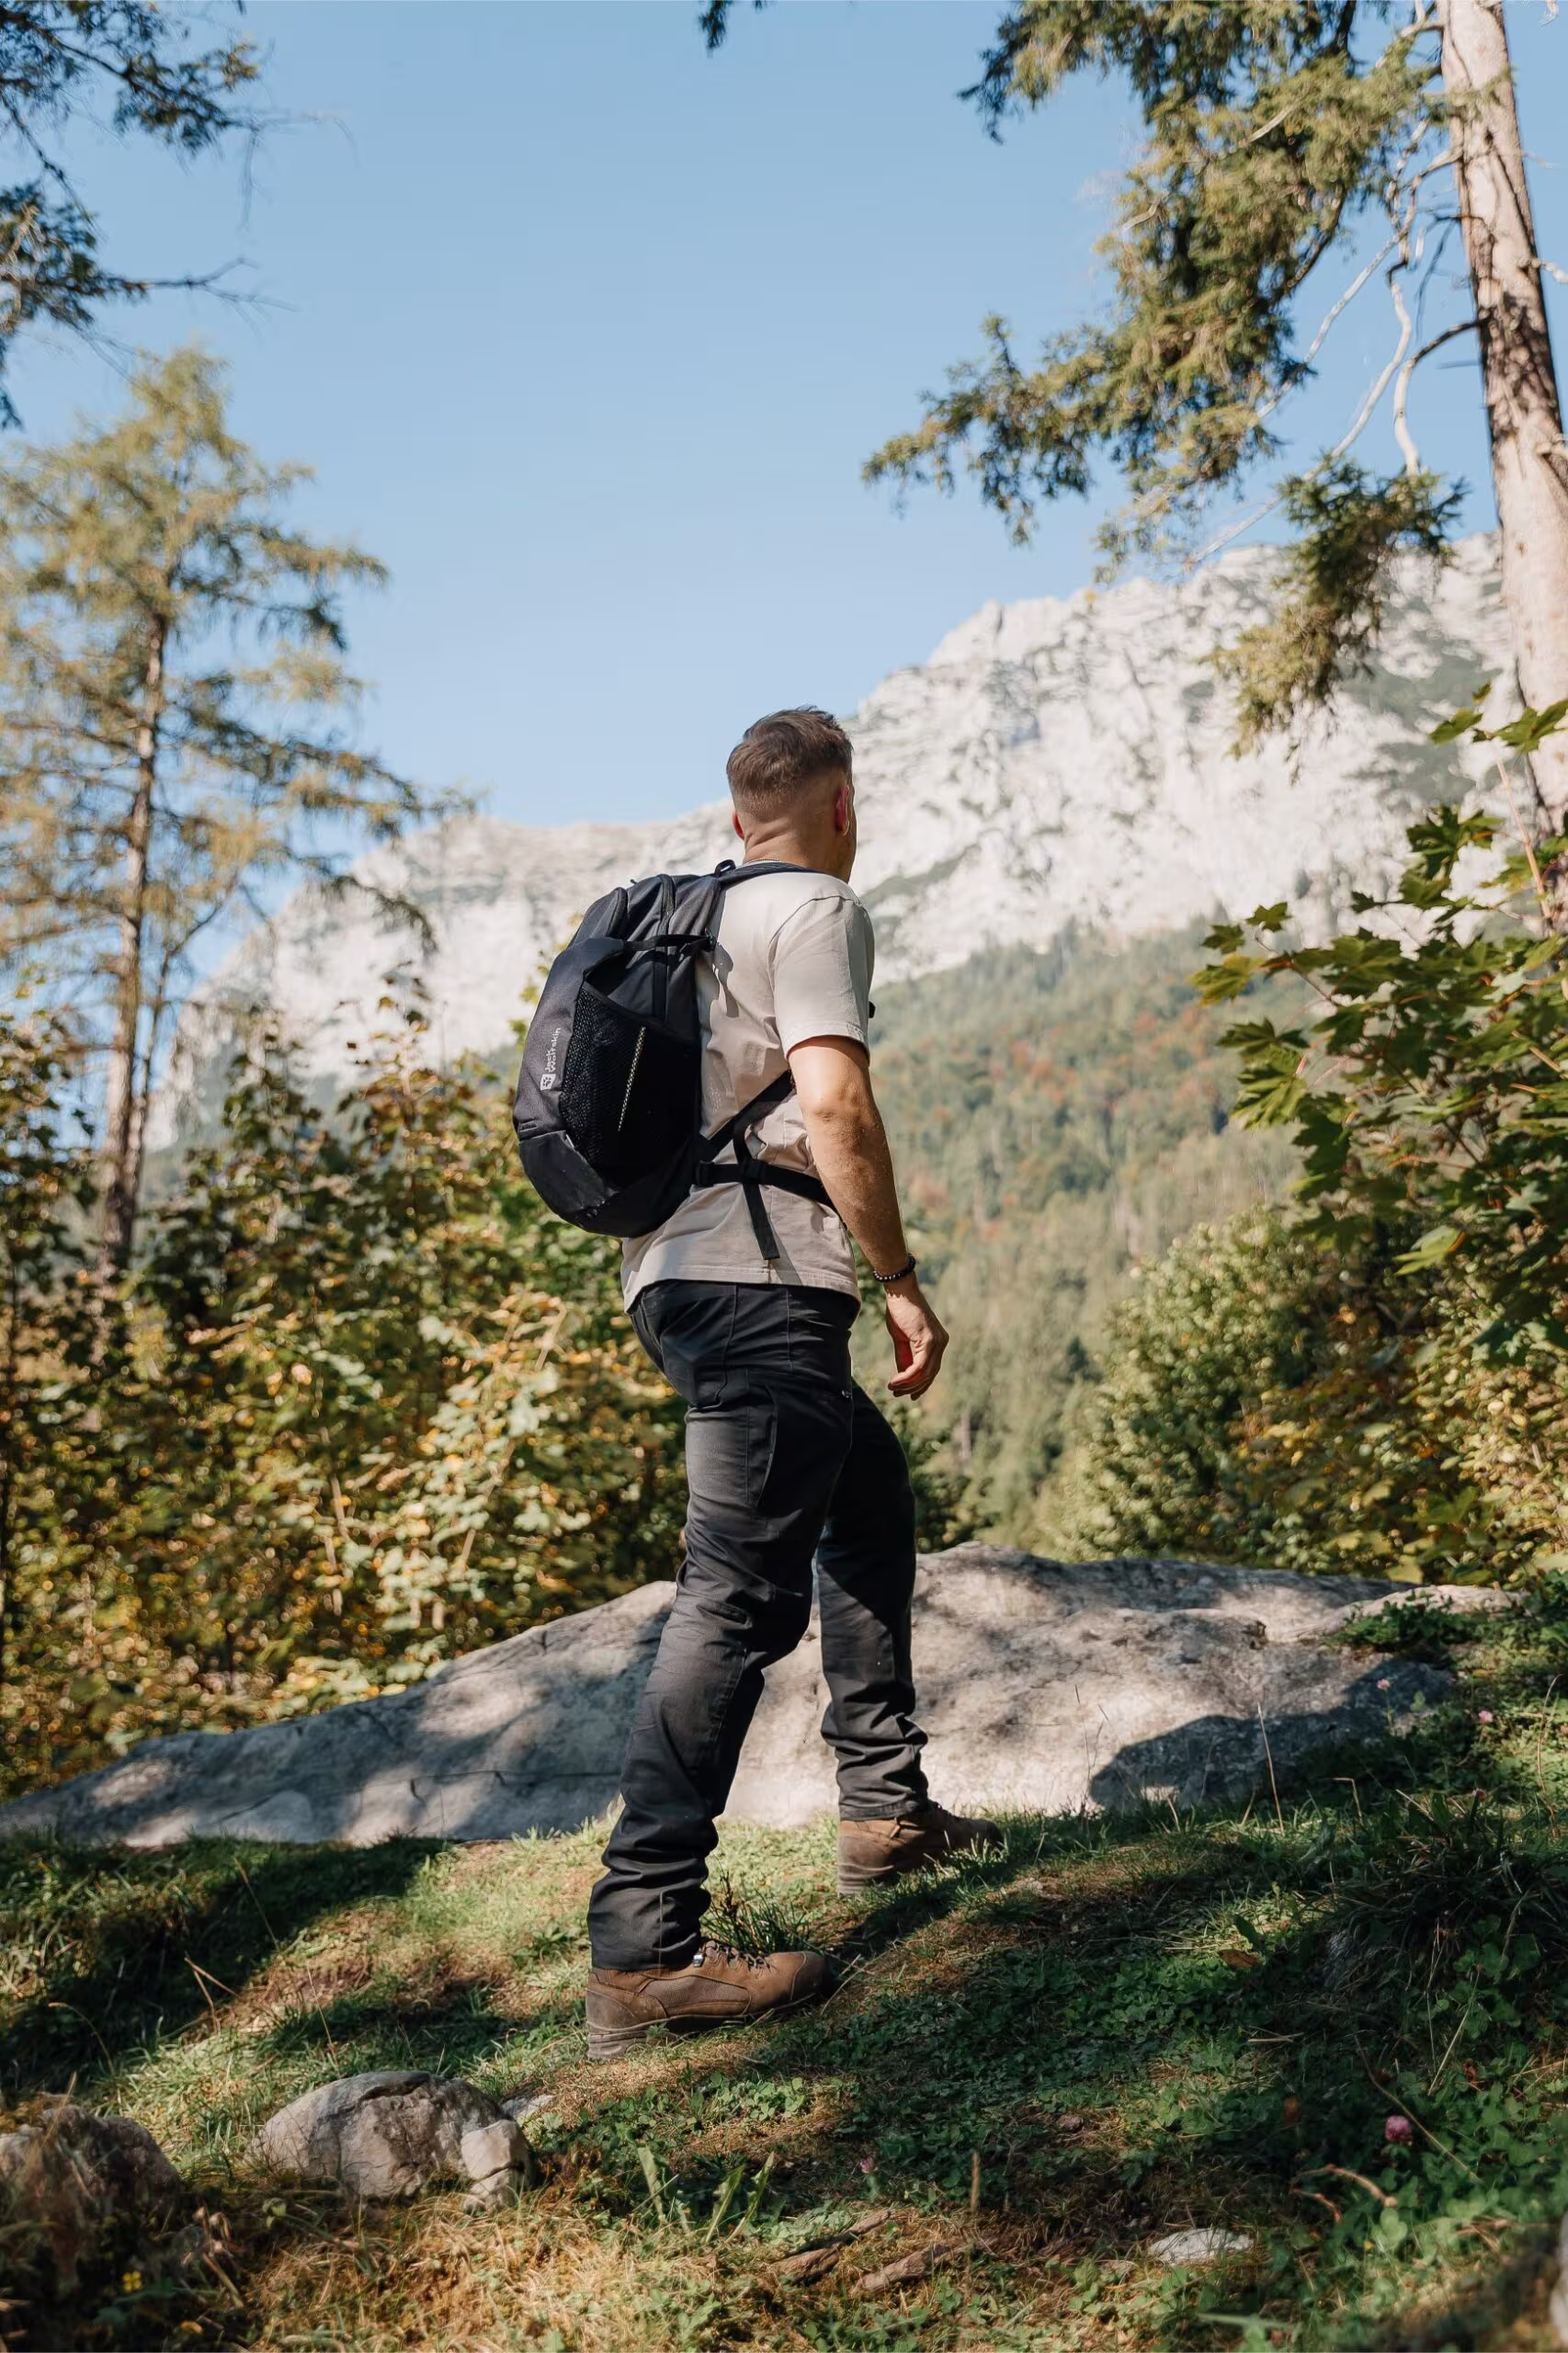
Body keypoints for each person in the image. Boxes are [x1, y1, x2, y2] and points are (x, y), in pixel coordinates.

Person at [584, 707, 999, 2060]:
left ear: (736, 815)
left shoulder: (688, 917)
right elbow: (834, 1105)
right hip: (766, 1279)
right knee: (735, 1598)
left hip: (673, 1276)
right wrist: (898, 1275)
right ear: (840, 806)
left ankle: (883, 1809)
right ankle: (643, 1950)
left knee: (864, 1496)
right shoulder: (812, 908)